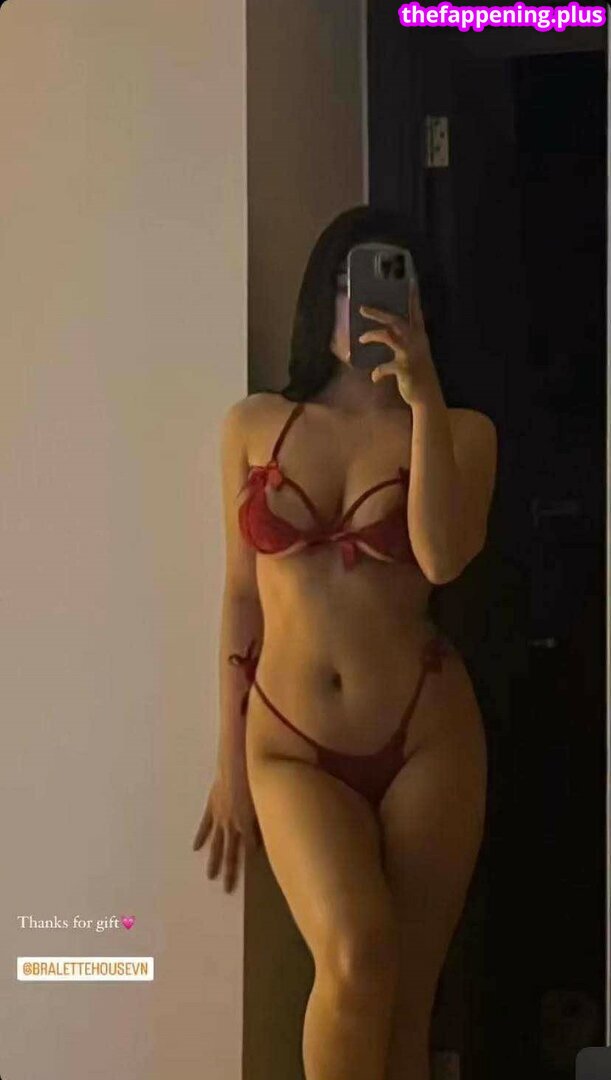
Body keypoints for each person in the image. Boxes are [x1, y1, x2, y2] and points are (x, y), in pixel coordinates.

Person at [192, 205, 497, 1080]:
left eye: (387, 286)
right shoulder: (253, 424)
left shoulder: (462, 431)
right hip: (288, 744)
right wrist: (227, 763)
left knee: (405, 1008)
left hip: (425, 738)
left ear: (419, 305)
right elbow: (240, 596)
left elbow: (439, 557)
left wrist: (422, 395)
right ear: (315, 300)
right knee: (357, 959)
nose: (357, 306)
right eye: (342, 284)